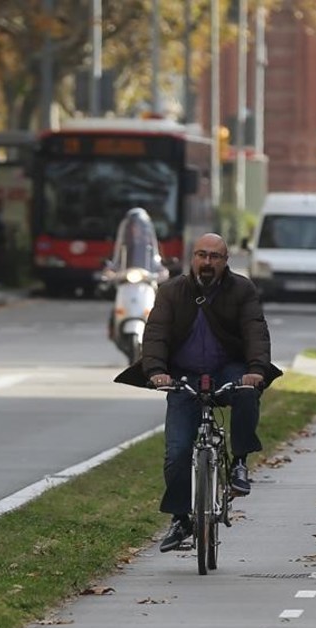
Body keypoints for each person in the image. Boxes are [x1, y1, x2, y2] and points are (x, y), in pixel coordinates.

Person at [114, 233, 282, 553]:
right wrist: (156, 372)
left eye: (214, 257)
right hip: (184, 375)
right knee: (176, 451)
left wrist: (257, 370)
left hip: (227, 369)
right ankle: (181, 519)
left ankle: (240, 465)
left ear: (225, 261)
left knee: (247, 392)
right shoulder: (171, 292)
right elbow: (157, 334)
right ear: (192, 258)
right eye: (201, 255)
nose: (207, 262)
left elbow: (255, 332)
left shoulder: (242, 290)